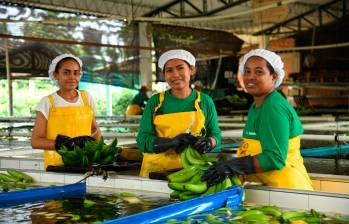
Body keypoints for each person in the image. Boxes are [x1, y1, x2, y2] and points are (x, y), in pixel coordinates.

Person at [202, 49, 314, 190]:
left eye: (259, 72)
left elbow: (274, 159)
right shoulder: (258, 105)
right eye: (247, 71)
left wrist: (232, 166)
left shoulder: (274, 107)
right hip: (269, 188)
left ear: (273, 76)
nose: (251, 77)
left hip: (287, 190)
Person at [136, 49, 222, 177]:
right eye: (169, 70)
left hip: (193, 171)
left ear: (191, 70)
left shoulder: (205, 101)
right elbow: (142, 140)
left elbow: (215, 135)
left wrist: (209, 142)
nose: (175, 74)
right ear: (164, 75)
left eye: (180, 68)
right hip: (156, 173)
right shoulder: (155, 102)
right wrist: (170, 143)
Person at [31, 54, 101, 170]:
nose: (72, 77)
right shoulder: (48, 102)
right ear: (55, 75)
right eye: (66, 72)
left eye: (76, 73)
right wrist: (63, 145)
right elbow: (36, 141)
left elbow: (94, 129)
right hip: (57, 166)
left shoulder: (86, 98)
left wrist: (101, 151)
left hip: (86, 164)